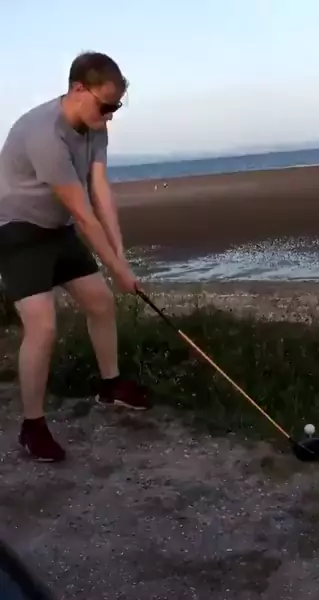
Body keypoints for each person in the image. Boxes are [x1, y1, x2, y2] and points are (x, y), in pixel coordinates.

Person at [0, 51, 151, 463]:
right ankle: (32, 427)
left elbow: (100, 191)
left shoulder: (95, 126)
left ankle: (110, 386)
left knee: (100, 302)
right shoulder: (44, 134)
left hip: (56, 229)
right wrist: (118, 269)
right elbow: (83, 213)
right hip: (16, 231)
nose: (110, 115)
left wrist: (120, 256)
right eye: (105, 105)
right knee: (43, 327)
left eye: (116, 107)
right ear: (78, 89)